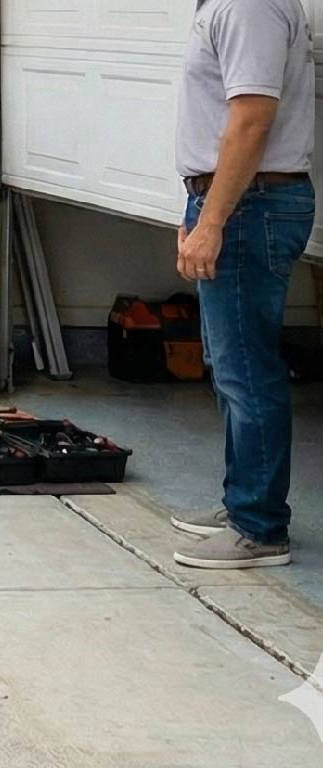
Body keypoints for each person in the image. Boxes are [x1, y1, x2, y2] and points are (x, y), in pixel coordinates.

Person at [171, 0, 316, 569]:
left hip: (249, 205)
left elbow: (253, 117)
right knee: (232, 365)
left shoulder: (249, 4)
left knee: (247, 368)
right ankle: (242, 508)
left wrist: (212, 220)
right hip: (235, 200)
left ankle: (258, 527)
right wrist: (194, 212)